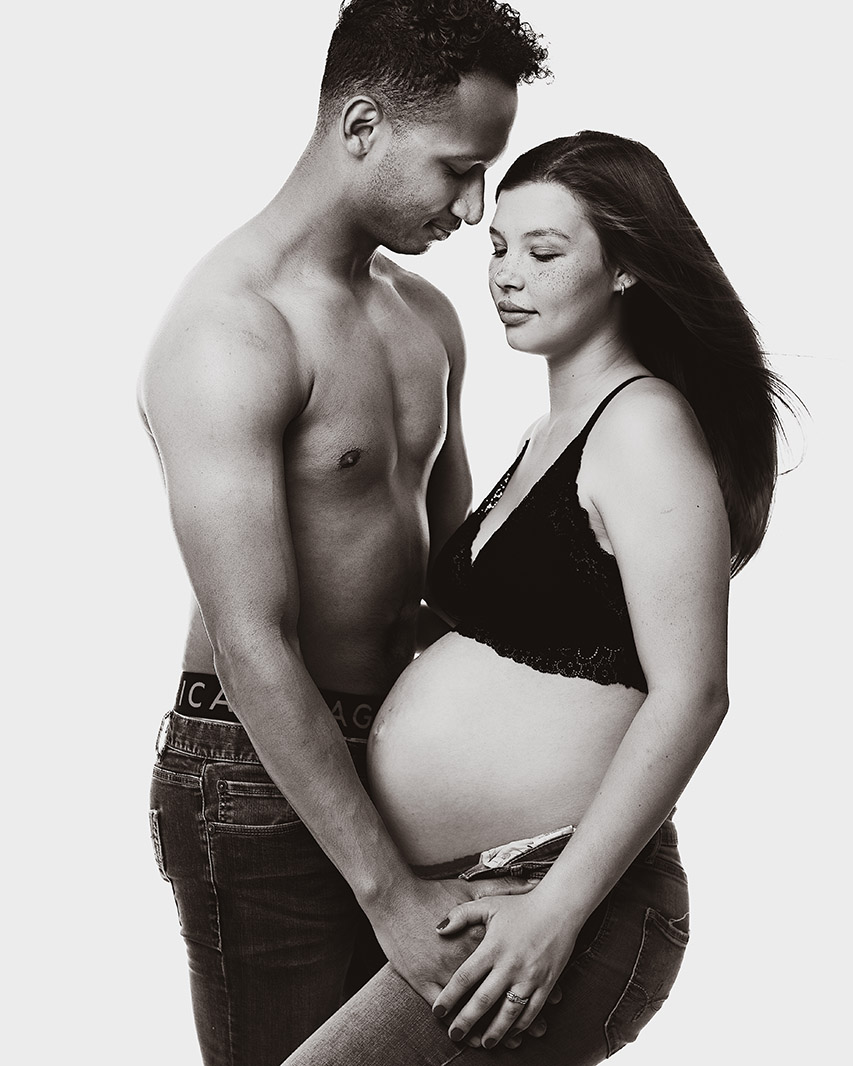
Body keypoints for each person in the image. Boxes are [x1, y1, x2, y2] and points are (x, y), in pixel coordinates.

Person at [278, 130, 797, 1065]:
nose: (508, 276)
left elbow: (694, 695)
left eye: (545, 253)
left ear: (627, 268)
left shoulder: (640, 425)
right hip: (469, 892)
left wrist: (557, 909)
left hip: (561, 898)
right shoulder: (545, 430)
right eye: (500, 249)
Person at [140, 2, 550, 1063]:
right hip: (255, 772)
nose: (473, 209)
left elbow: (460, 583)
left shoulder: (427, 318)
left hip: (401, 754)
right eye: (457, 168)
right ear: (360, 125)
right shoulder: (232, 331)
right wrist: (388, 892)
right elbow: (252, 640)